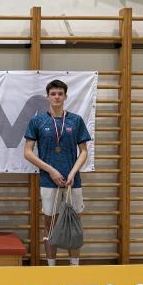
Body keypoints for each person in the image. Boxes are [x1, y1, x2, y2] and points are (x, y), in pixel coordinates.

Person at [24, 79, 91, 266]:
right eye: (53, 94)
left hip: (72, 182)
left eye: (60, 94)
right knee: (50, 226)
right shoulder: (37, 121)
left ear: (65, 96)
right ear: (47, 97)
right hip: (48, 181)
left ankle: (74, 267)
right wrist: (51, 171)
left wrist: (73, 172)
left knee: (74, 225)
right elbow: (27, 152)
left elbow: (84, 151)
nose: (56, 97)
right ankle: (51, 268)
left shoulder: (76, 120)